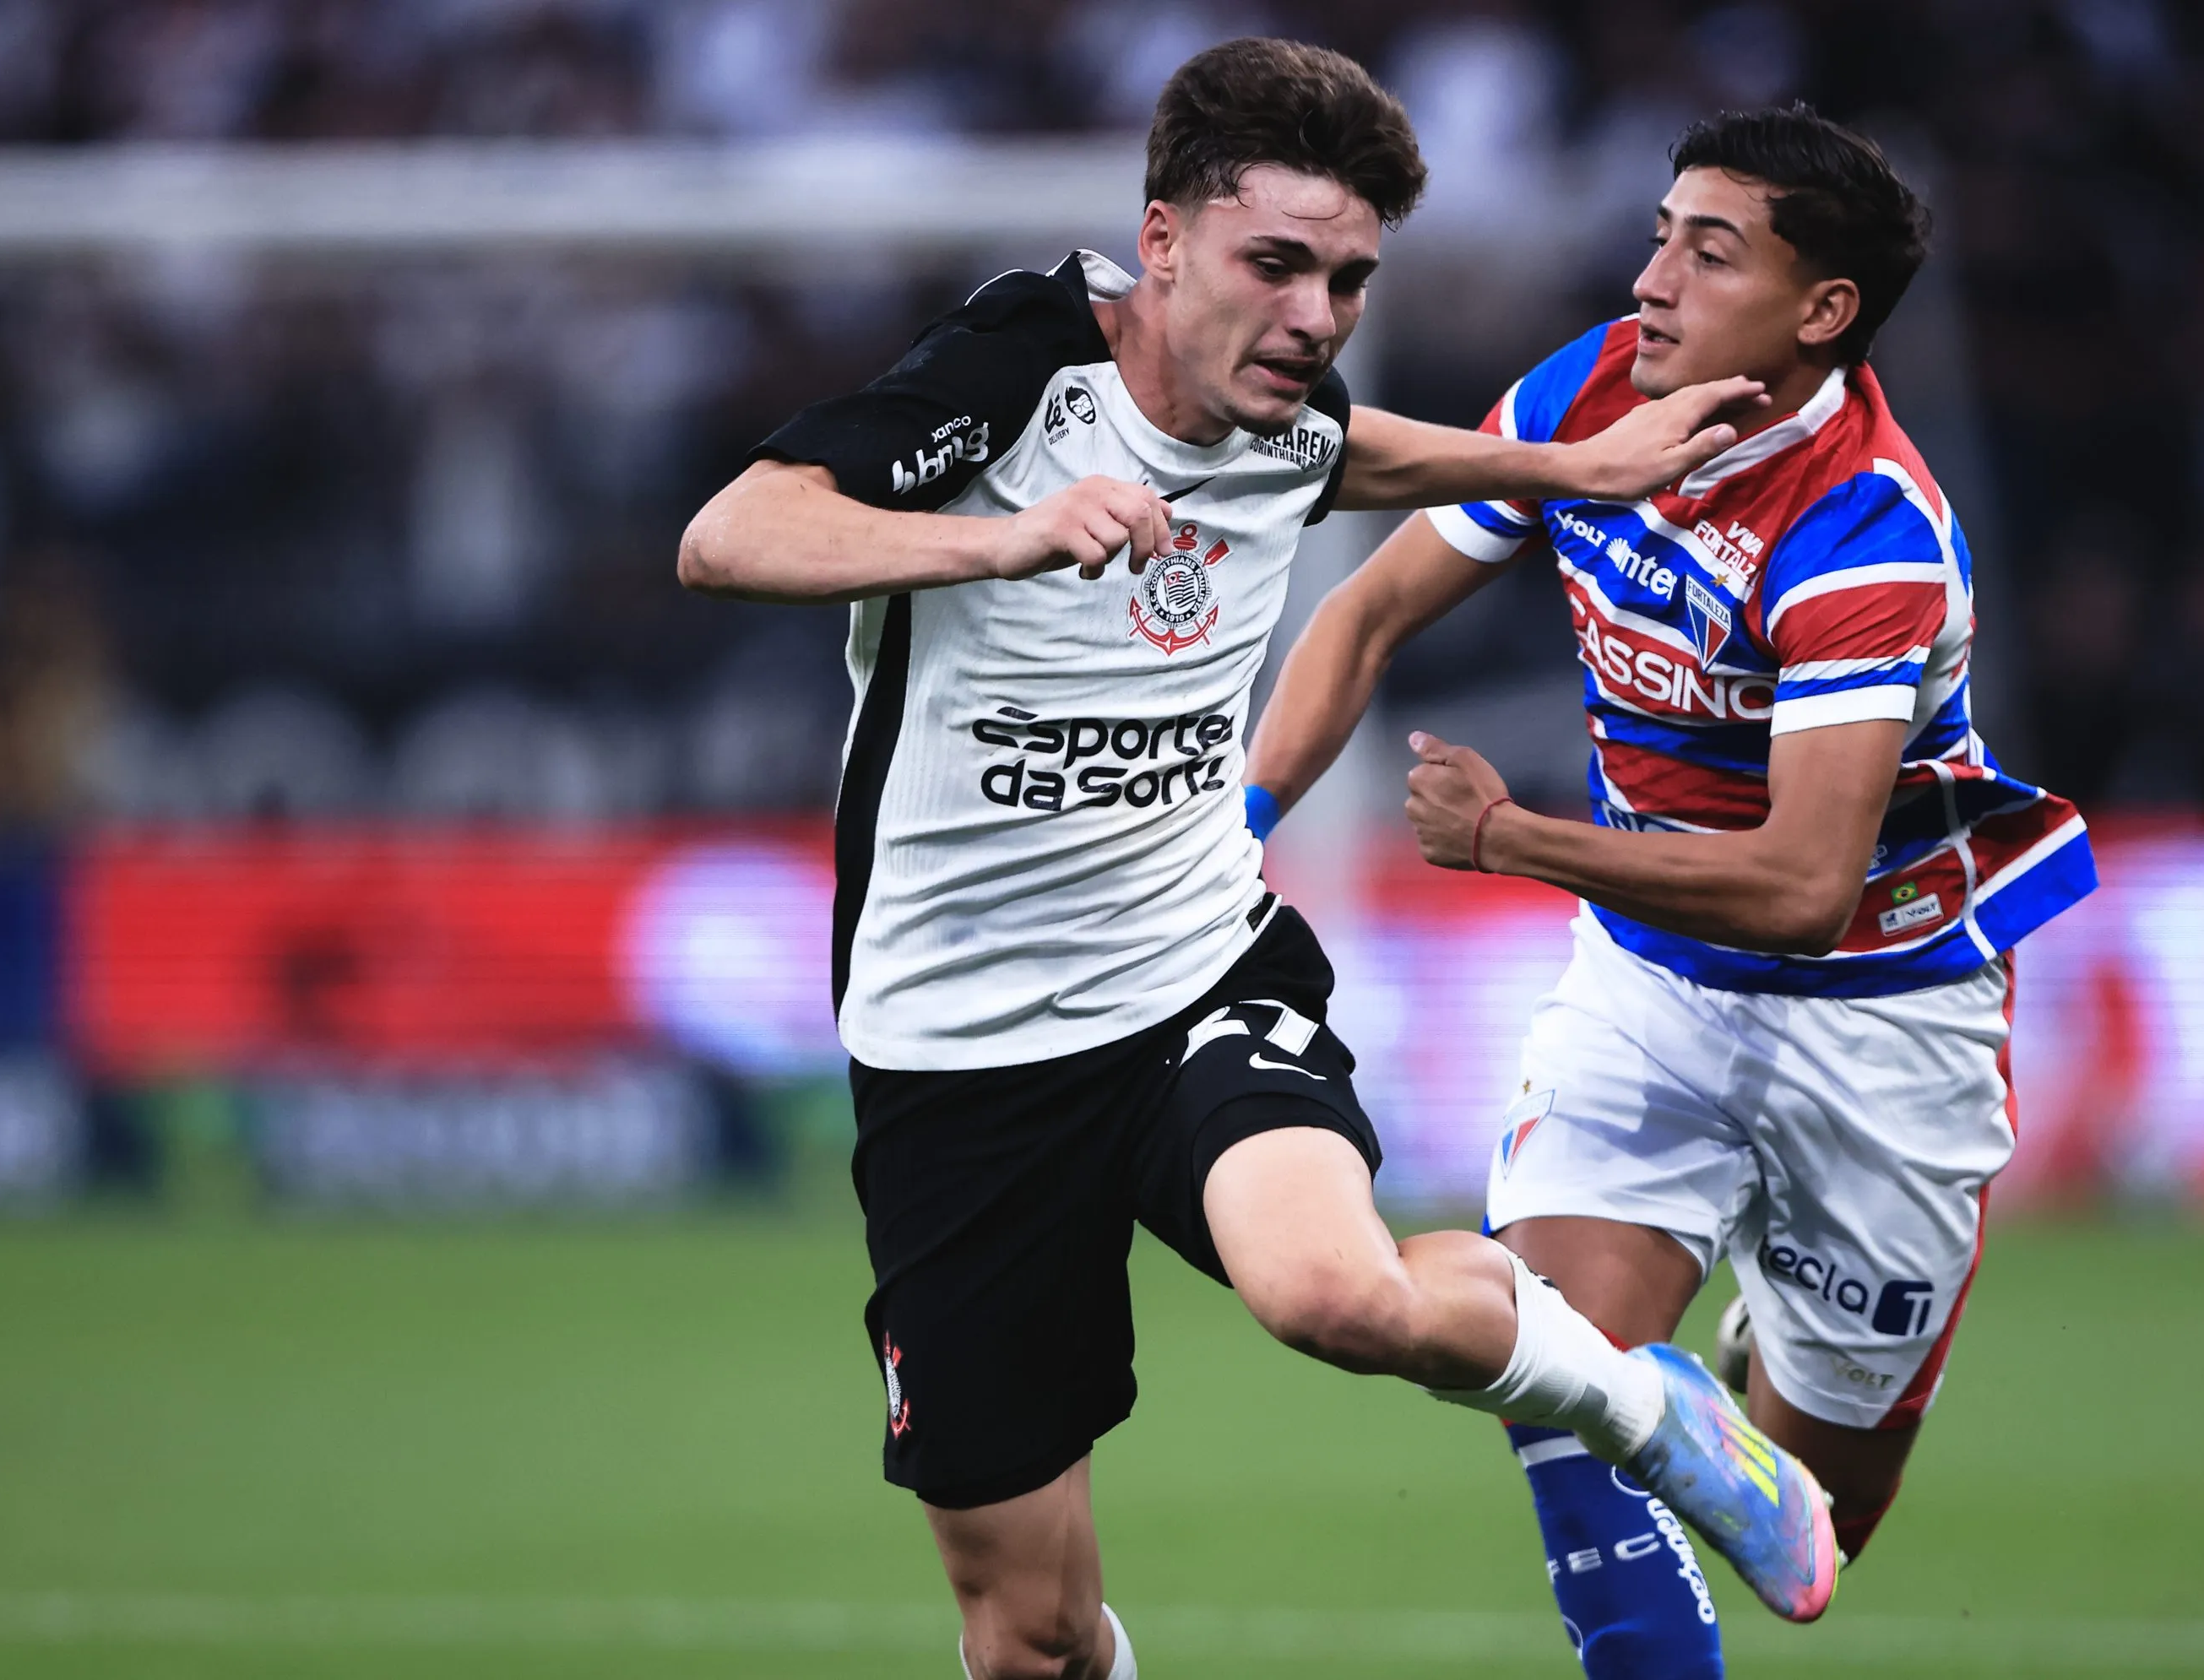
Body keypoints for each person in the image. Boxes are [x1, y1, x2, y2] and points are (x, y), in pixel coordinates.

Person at [677, 41, 1838, 1680]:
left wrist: (1556, 471)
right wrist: (1001, 534)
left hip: (1187, 982)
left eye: (1349, 279)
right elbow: (731, 533)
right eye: (1275, 263)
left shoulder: (1279, 409)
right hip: (954, 1061)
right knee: (1028, 1633)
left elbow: (1350, 455)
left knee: (1333, 1293)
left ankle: (1639, 1397)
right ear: (1160, 245)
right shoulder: (1020, 373)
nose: (1314, 313)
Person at [1248, 105, 2097, 1677]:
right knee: (1556, 1364)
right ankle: (1643, 1407)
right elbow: (1361, 620)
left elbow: (1795, 884)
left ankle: (1741, 1367)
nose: (1651, 277)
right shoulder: (1592, 389)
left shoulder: (1863, 530)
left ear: (1819, 309)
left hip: (1879, 1015)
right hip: (1651, 988)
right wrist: (1232, 841)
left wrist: (1512, 842)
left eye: (1708, 252)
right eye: (1658, 232)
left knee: (1814, 1525)